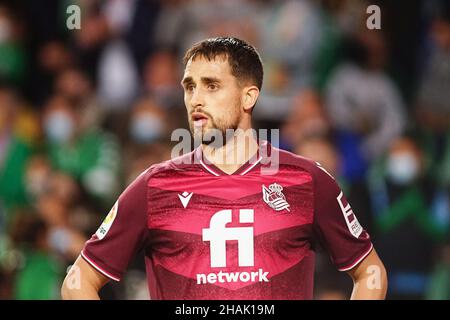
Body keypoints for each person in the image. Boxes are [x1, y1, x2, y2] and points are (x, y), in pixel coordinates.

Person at [61, 37, 387, 300]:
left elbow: (370, 272)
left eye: (211, 86)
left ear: (248, 98)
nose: (196, 100)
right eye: (190, 87)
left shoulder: (308, 180)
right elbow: (78, 281)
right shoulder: (154, 186)